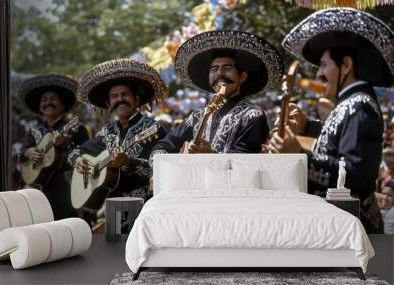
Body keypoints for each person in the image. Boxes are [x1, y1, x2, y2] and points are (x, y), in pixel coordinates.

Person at [269, 8, 394, 233]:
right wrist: (307, 126)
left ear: (346, 65)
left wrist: (300, 156)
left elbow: (355, 175)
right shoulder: (353, 104)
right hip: (340, 224)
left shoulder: (360, 106)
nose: (318, 75)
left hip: (351, 229)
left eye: (324, 65)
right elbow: (341, 139)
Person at [151, 30, 283, 156]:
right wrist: (158, 169)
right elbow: (164, 145)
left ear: (242, 77)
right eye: (214, 69)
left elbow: (247, 159)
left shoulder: (253, 115)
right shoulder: (197, 117)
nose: (219, 73)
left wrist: (212, 155)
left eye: (227, 68)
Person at [68, 59, 167, 210]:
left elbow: (164, 169)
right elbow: (78, 150)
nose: (120, 99)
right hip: (113, 204)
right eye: (114, 96)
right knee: (114, 235)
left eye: (125, 94)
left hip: (145, 205)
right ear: (108, 104)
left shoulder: (154, 128)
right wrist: (77, 159)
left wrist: (129, 162)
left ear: (136, 100)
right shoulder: (107, 131)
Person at [18, 73, 90, 219]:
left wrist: (65, 143)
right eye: (44, 100)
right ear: (39, 107)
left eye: (53, 99)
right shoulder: (34, 130)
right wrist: (29, 152)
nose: (48, 102)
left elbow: (86, 155)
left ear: (63, 105)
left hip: (68, 189)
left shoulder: (77, 128)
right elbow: (21, 154)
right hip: (40, 189)